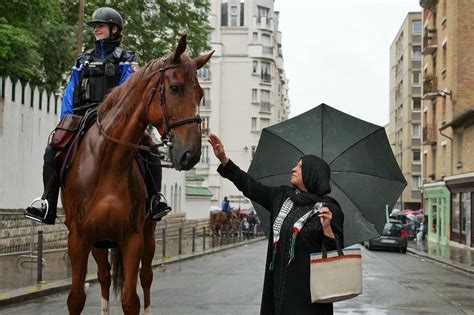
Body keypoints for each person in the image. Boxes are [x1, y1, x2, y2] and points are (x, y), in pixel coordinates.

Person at [24, 7, 170, 225]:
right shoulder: (83, 60)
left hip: (115, 118)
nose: (96, 30)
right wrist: (65, 120)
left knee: (149, 147)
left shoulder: (127, 59)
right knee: (52, 148)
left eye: (100, 26)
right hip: (83, 116)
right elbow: (71, 90)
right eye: (94, 26)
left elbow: (128, 90)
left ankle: (155, 199)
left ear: (114, 29)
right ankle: (48, 204)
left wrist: (113, 114)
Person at [209, 133, 344, 315]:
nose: (294, 168)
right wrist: (224, 159)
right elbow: (251, 186)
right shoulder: (282, 197)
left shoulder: (328, 209)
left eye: (300, 166)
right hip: (277, 293)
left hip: (309, 300)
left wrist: (327, 229)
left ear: (312, 174)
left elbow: (336, 256)